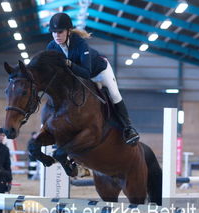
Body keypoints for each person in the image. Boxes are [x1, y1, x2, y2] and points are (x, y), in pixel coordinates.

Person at [46, 12, 139, 145]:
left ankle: (128, 128)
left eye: (60, 32)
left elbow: (86, 73)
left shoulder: (80, 44)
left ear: (68, 31)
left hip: (99, 71)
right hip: (77, 75)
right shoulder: (51, 47)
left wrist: (69, 63)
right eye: (53, 32)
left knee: (114, 94)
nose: (57, 35)